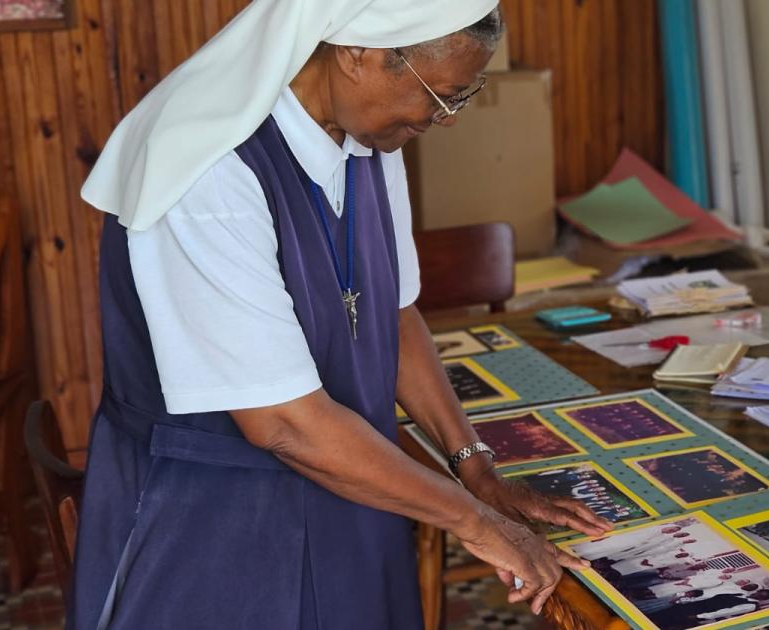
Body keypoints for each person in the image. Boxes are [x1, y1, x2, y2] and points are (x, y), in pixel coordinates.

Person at [68, 1, 611, 628]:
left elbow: (395, 317)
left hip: (355, 484)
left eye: (461, 97)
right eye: (441, 96)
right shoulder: (209, 171)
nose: (446, 118)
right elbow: (282, 424)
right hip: (211, 527)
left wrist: (478, 473)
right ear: (357, 53)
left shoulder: (370, 138)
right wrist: (475, 520)